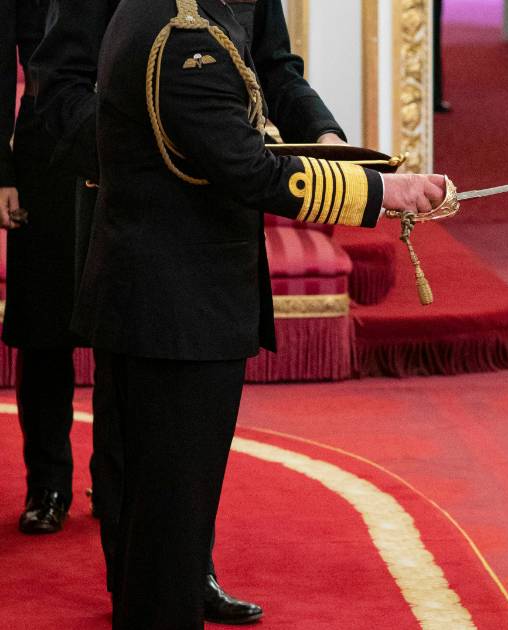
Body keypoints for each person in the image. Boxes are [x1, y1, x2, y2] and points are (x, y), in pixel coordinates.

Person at [71, 0, 444, 627]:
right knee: (170, 529)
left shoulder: (158, 11)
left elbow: (271, 79)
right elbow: (248, 168)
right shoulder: (187, 38)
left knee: (157, 524)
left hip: (160, 301)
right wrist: (382, 190)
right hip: (180, 311)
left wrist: (332, 150)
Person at [31, 0, 351, 623]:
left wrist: (325, 137)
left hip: (215, 212)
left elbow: (273, 68)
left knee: (188, 443)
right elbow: (58, 89)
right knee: (138, 435)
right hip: (136, 213)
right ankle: (142, 583)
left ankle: (183, 569)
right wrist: (158, 150)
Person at [2, 0, 80, 538]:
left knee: (127, 329)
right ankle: (47, 485)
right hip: (42, 156)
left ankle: (118, 479)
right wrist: (0, 171)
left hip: (122, 143)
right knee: (43, 332)